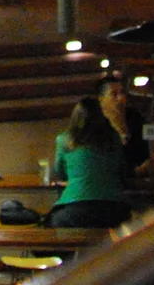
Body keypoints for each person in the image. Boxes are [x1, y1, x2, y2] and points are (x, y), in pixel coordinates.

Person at [43, 97, 133, 229]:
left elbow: (61, 173)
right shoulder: (113, 138)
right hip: (113, 208)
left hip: (74, 206)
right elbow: (122, 171)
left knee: (51, 225)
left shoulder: (64, 140)